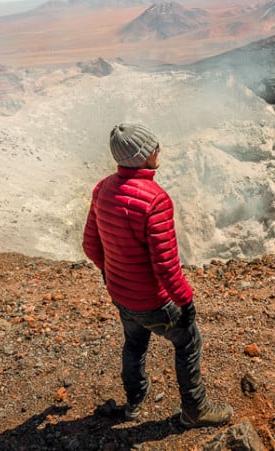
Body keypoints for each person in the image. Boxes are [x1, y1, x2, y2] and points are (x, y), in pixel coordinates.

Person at [83, 123, 233, 428]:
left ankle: (133, 403)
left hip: (121, 295)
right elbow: (165, 266)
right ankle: (195, 410)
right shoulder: (155, 200)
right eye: (153, 146)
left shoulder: (102, 188)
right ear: (142, 156)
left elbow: (90, 245)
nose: (158, 149)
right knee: (188, 342)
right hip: (152, 301)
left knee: (134, 344)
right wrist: (186, 301)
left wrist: (111, 275)